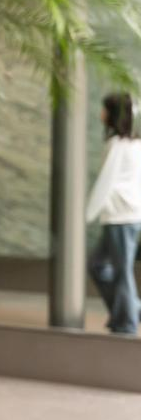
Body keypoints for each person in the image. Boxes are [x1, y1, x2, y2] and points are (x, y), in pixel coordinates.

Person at [86, 93, 141, 335]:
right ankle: (131, 310)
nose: (101, 114)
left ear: (113, 115)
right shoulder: (134, 145)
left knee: (121, 272)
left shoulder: (117, 146)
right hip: (126, 216)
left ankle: (127, 322)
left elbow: (105, 183)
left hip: (121, 218)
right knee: (98, 265)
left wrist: (87, 214)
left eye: (105, 109)